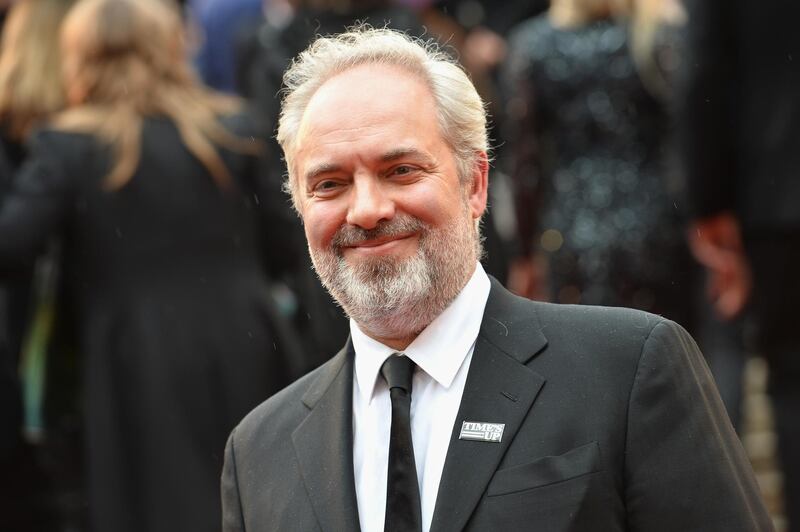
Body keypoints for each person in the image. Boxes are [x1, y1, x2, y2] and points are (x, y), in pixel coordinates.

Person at [221, 26, 771, 531]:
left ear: (475, 184)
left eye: (401, 170)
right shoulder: (257, 453)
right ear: (298, 206)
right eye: (330, 184)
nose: (366, 209)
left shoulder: (629, 370)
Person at [0, 0, 301, 530]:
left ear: (80, 57)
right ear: (170, 47)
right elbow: (288, 244)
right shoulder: (231, 128)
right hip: (248, 342)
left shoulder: (70, 147)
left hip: (132, 358)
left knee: (160, 508)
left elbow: (11, 246)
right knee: (262, 496)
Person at [678, 0, 800, 528]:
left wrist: (710, 203)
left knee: (792, 381)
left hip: (778, 201)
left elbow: (705, 80)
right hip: (775, 200)